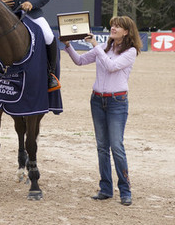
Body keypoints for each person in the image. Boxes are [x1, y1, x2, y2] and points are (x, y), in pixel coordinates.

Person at [62, 16, 142, 206]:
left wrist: (95, 45)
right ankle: (106, 188)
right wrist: (67, 46)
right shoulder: (105, 49)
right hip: (97, 100)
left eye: (118, 26)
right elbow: (80, 61)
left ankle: (125, 190)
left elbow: (112, 66)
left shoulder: (130, 51)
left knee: (116, 147)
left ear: (127, 32)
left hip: (117, 101)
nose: (113, 28)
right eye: (112, 25)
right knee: (102, 147)